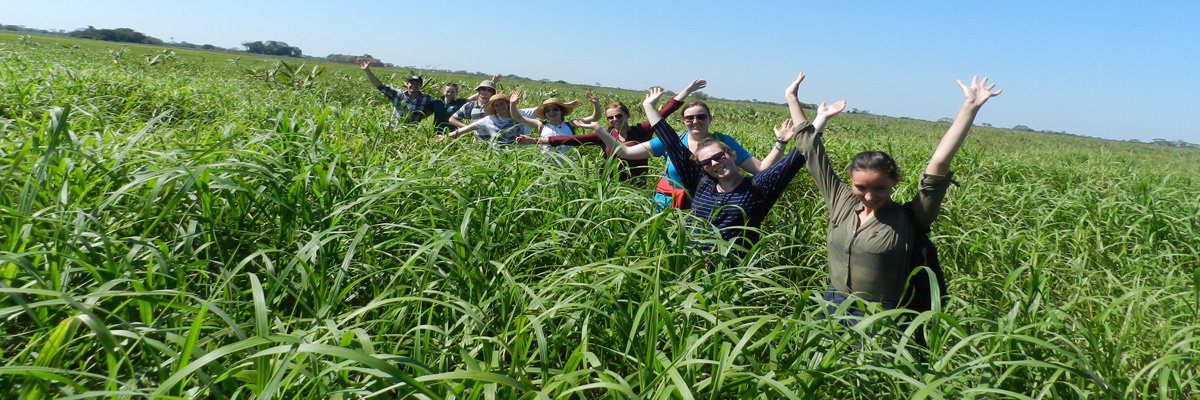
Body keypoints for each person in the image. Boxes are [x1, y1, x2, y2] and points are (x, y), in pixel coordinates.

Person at [786, 73, 1002, 315]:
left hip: (880, 314)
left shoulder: (910, 218)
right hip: (832, 302)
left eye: (879, 188)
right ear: (851, 182)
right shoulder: (841, 202)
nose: (869, 196)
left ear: (894, 182)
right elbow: (810, 148)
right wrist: (792, 98)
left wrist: (969, 107)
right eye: (861, 187)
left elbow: (938, 166)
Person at [642, 86, 810, 254]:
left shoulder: (755, 188)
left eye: (720, 157)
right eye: (706, 162)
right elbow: (671, 143)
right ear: (701, 167)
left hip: (735, 270)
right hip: (694, 263)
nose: (714, 163)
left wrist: (798, 106)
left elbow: (798, 155)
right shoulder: (701, 185)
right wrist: (649, 107)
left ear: (732, 154)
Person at [597, 82, 784, 210]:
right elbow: (626, 152)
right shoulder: (672, 140)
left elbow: (759, 168)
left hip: (705, 206)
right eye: (690, 118)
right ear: (683, 121)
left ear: (710, 119)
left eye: (701, 117)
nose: (696, 121)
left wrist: (780, 143)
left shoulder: (723, 141)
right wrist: (598, 129)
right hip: (666, 204)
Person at [516, 79, 706, 180]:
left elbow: (666, 110)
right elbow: (569, 140)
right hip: (609, 182)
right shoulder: (604, 135)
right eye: (611, 117)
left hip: (637, 181)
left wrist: (687, 91)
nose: (615, 120)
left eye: (619, 116)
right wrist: (535, 140)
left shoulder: (642, 130)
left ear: (627, 116)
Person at [507, 90, 600, 154]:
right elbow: (517, 117)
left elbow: (594, 118)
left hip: (566, 166)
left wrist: (596, 104)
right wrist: (512, 104)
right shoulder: (540, 125)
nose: (551, 112)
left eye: (555, 109)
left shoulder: (572, 124)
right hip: (546, 165)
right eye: (548, 110)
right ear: (545, 114)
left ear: (561, 111)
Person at [357, 57, 433, 124]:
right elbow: (380, 86)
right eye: (412, 83)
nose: (414, 85)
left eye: (417, 83)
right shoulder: (398, 94)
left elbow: (432, 109)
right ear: (407, 84)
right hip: (395, 130)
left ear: (421, 86)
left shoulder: (426, 99)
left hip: (412, 133)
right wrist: (367, 71)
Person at [440, 91, 531, 145]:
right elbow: (466, 129)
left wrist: (513, 104)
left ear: (507, 104)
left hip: (518, 155)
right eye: (496, 105)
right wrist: (445, 136)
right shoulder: (489, 120)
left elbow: (543, 110)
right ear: (493, 108)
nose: (500, 107)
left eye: (502, 104)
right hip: (499, 156)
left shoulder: (522, 114)